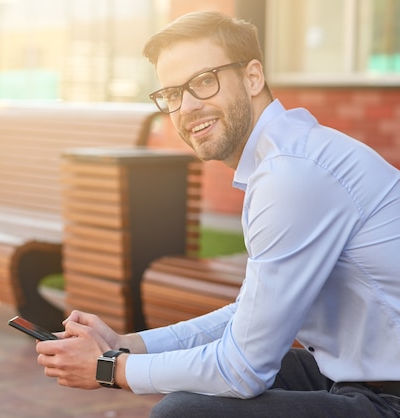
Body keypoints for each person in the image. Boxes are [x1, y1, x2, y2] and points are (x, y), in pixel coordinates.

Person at [36, 10, 400, 417]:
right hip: (351, 377)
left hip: (390, 396)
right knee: (189, 396)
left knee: (184, 413)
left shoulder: (293, 175)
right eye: (172, 94)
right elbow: (248, 314)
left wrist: (110, 369)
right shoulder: (283, 160)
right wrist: (130, 344)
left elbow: (243, 370)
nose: (187, 106)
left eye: (204, 81)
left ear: (253, 77)